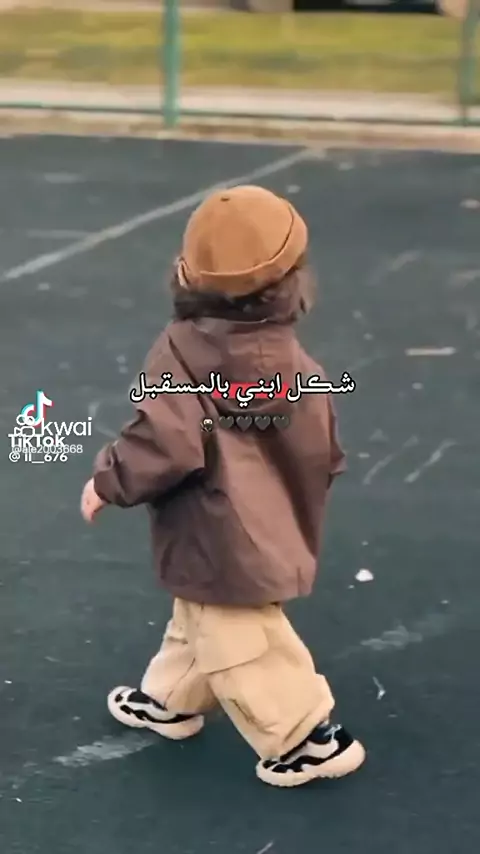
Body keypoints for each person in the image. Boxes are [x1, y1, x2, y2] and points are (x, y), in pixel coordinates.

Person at [80, 185, 366, 788]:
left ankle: (307, 736)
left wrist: (109, 479)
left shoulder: (183, 350)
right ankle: (172, 698)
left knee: (239, 636)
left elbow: (165, 438)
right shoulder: (291, 358)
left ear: (187, 274)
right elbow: (321, 441)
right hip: (272, 517)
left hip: (214, 525)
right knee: (201, 611)